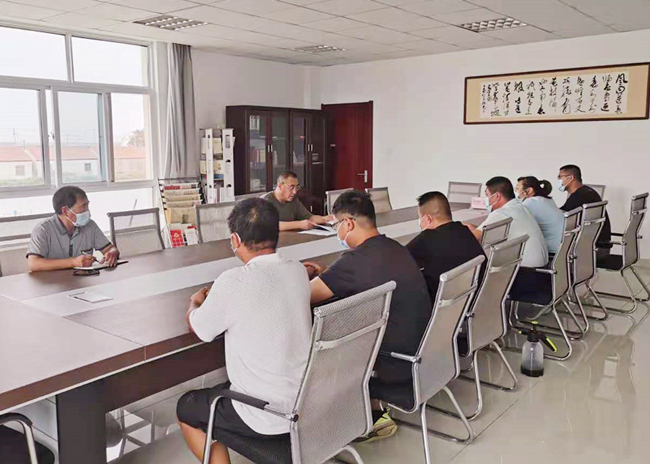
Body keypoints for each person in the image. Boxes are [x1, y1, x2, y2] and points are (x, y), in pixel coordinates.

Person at [177, 198, 312, 464]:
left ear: (235, 239)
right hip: (307, 404)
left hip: (265, 415)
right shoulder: (297, 270)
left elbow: (199, 327)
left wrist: (195, 302)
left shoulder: (233, 281)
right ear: (276, 234)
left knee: (187, 407)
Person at [303, 190, 431, 443]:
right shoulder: (395, 247)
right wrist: (330, 273)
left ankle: (359, 417)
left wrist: (298, 276)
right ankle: (371, 409)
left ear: (348, 223)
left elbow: (303, 296)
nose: (338, 232)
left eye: (336, 226)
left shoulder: (354, 261)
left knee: (321, 339)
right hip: (422, 351)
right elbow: (361, 275)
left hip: (391, 363)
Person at [407, 191, 486, 303]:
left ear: (428, 218)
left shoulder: (426, 238)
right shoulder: (465, 230)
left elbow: (399, 258)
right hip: (473, 299)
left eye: (420, 218)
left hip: (442, 303)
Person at [26, 186, 119, 272]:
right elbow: (33, 264)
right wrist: (73, 262)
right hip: (52, 282)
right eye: (83, 206)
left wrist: (112, 253)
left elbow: (110, 248)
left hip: (83, 280)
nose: (87, 211)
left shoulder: (90, 225)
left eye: (87, 205)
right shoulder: (43, 229)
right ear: (65, 211)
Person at [466, 176, 548, 268]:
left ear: (497, 196)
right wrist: (473, 228)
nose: (486, 200)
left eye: (487, 195)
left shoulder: (502, 213)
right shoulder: (519, 207)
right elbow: (486, 234)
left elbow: (472, 239)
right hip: (540, 267)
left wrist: (459, 229)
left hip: (525, 270)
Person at [557, 164, 611, 260]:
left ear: (570, 178)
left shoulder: (579, 196)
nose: (558, 180)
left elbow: (561, 217)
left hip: (592, 249)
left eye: (560, 177)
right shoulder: (587, 191)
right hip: (597, 246)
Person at [261, 171, 331, 231]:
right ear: (280, 186)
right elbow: (271, 225)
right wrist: (299, 224)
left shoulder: (293, 200)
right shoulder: (265, 201)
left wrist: (325, 219)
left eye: (296, 187)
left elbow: (309, 217)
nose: (295, 192)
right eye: (291, 187)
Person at [516, 176, 565, 255]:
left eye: (517, 188)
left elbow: (515, 220)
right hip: (561, 247)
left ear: (529, 190)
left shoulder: (531, 202)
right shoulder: (547, 200)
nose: (516, 191)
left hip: (551, 250)